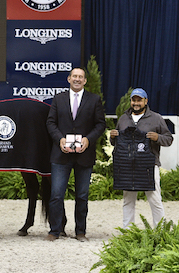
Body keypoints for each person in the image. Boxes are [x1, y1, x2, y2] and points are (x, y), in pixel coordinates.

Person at [45, 67, 106, 242]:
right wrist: (60, 140)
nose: (77, 79)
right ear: (69, 79)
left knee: (82, 195)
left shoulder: (94, 100)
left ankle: (80, 231)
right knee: (56, 194)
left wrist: (88, 139)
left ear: (85, 81)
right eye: (74, 76)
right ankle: (55, 230)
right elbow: (50, 122)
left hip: (84, 155)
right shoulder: (58, 99)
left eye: (80, 77)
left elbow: (100, 124)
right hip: (61, 154)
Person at [109, 88, 173, 228]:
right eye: (134, 100)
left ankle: (160, 231)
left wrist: (157, 137)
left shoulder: (156, 118)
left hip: (149, 165)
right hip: (127, 166)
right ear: (131, 101)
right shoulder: (123, 118)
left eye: (139, 100)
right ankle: (128, 232)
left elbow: (168, 139)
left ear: (146, 101)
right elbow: (115, 143)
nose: (136, 103)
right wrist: (112, 137)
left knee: (155, 199)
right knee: (128, 200)